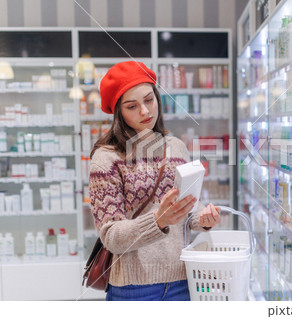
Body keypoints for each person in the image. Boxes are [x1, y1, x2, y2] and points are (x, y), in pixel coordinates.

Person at [89, 61, 222, 301]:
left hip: (183, 280)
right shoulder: (106, 158)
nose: (145, 111)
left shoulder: (176, 147)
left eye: (149, 100)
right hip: (133, 287)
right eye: (132, 106)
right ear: (119, 112)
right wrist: (158, 220)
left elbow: (187, 205)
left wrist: (203, 218)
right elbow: (110, 236)